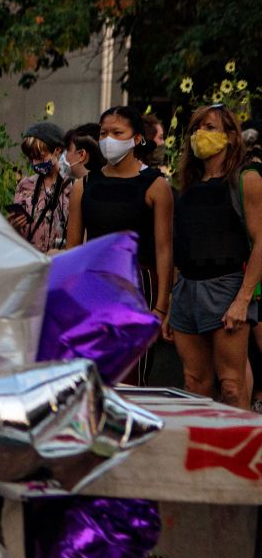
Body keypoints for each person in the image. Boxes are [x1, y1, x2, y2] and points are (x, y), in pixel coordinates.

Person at [67, 105, 174, 384]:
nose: (108, 139)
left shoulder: (155, 185)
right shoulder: (85, 184)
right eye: (103, 133)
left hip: (137, 286)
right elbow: (74, 249)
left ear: (137, 138)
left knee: (129, 374)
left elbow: (165, 249)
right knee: (90, 374)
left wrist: (161, 306)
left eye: (117, 132)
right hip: (93, 285)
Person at [167, 105, 262, 408]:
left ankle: (243, 453)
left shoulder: (245, 179)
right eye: (196, 128)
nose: (200, 135)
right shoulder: (189, 185)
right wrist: (172, 301)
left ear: (231, 137)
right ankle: (204, 453)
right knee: (194, 384)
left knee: (232, 386)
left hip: (225, 287)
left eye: (210, 127)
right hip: (187, 291)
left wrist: (243, 299)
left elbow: (261, 240)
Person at [10, 122, 71, 253]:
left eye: (40, 157)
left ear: (58, 150)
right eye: (30, 159)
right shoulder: (24, 185)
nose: (35, 163)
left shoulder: (73, 187)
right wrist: (12, 226)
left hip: (61, 263)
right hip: (31, 262)